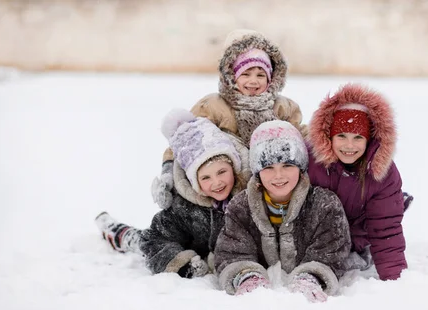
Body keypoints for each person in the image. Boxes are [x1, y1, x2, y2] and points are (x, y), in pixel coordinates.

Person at [151, 29, 306, 210]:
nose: (253, 81)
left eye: (260, 75)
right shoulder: (213, 106)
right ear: (233, 76)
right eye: (245, 74)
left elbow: (300, 137)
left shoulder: (282, 107)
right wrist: (168, 171)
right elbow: (185, 140)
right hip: (222, 188)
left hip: (271, 186)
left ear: (271, 78)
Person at [96, 109, 250, 278]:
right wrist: (182, 264)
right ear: (193, 181)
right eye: (206, 177)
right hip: (181, 245)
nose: (216, 182)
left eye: (222, 172)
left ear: (234, 168)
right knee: (140, 240)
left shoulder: (245, 199)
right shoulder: (184, 208)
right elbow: (154, 240)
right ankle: (117, 231)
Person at [214, 120, 351, 303]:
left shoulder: (324, 204)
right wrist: (245, 275)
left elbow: (332, 251)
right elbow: (231, 252)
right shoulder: (240, 207)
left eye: (287, 165)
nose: (278, 176)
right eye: (269, 167)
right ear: (257, 172)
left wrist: (313, 276)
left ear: (300, 168)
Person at [306, 83, 408, 281]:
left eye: (358, 137)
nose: (349, 146)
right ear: (329, 137)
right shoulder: (313, 164)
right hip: (318, 237)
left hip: (359, 236)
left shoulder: (382, 173)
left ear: (369, 140)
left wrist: (395, 280)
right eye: (341, 136)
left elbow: (385, 229)